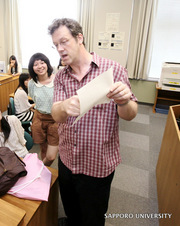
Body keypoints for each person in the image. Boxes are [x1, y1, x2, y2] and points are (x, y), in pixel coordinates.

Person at [48, 18, 138, 226]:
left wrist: (124, 101)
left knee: (93, 217)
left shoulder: (112, 69)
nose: (60, 49)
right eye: (55, 45)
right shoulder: (61, 76)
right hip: (68, 161)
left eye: (64, 42)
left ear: (80, 38)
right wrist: (63, 107)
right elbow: (56, 114)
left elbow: (130, 114)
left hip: (97, 164)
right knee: (72, 211)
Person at [28, 53, 59, 166]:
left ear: (47, 64)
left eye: (42, 62)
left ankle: (41, 169)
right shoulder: (32, 83)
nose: (40, 66)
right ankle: (44, 173)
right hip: (39, 118)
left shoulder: (57, 80)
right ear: (32, 68)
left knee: (51, 156)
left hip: (55, 119)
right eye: (36, 64)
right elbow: (33, 97)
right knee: (43, 148)